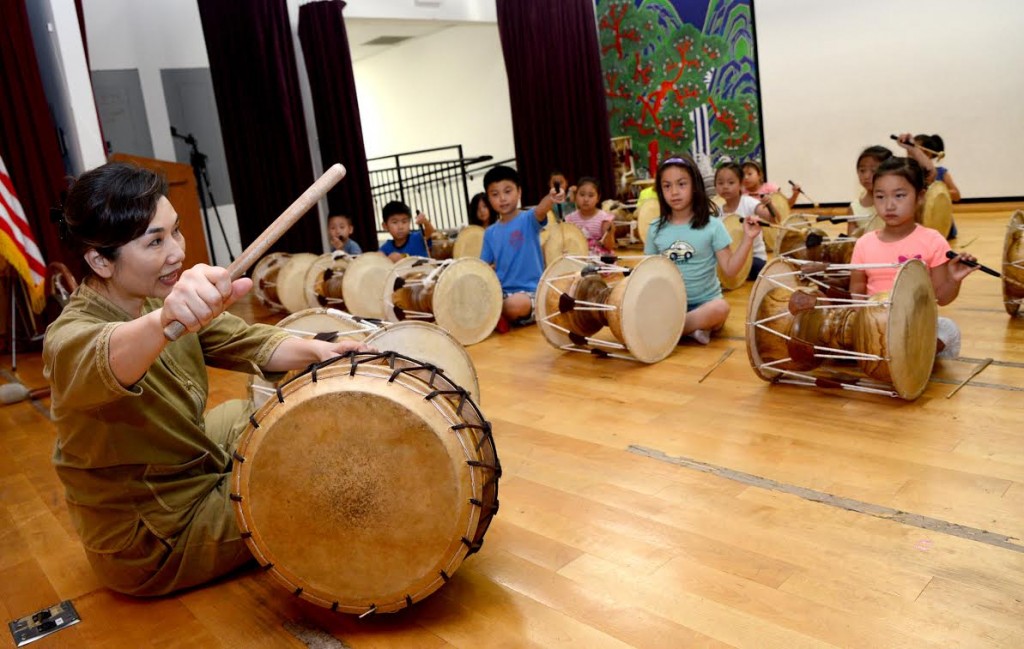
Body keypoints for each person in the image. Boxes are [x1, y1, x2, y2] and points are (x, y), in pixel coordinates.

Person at [42, 162, 367, 597]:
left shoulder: (152, 298)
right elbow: (107, 353)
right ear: (100, 260)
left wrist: (321, 350)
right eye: (155, 241)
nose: (177, 250)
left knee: (243, 413)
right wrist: (166, 319)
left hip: (184, 466)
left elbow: (247, 339)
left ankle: (235, 483)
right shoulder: (70, 338)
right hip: (151, 536)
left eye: (174, 231)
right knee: (312, 485)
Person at [849, 155, 976, 359]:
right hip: (876, 326)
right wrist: (863, 322)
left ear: (920, 196)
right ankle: (904, 357)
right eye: (880, 196)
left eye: (899, 196)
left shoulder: (933, 241)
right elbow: (856, 290)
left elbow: (941, 298)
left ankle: (906, 357)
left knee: (948, 329)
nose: (889, 205)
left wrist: (953, 280)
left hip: (917, 325)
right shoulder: (864, 243)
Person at [644, 156, 760, 344]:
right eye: (667, 186)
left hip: (706, 305)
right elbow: (648, 272)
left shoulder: (712, 226)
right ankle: (689, 329)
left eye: (681, 184)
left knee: (721, 308)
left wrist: (748, 238)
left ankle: (671, 329)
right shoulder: (655, 228)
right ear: (660, 190)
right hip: (671, 303)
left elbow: (730, 270)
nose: (674, 192)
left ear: (695, 186)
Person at [480, 165, 565, 330]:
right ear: (489, 199)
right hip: (501, 293)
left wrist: (551, 197)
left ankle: (498, 315)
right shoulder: (490, 232)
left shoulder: (528, 219)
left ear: (519, 192)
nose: (502, 198)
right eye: (495, 194)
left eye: (507, 191)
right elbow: (482, 266)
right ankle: (498, 314)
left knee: (514, 305)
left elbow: (541, 209)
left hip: (530, 294)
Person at [714, 162, 770, 280]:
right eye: (720, 183)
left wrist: (769, 206)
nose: (725, 186)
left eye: (731, 182)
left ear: (740, 185)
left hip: (755, 258)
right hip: (731, 260)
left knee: (756, 268)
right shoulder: (717, 212)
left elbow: (773, 218)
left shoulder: (748, 202)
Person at [914, 133, 960, 239]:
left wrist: (936, 193)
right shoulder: (910, 173)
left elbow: (957, 195)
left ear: (928, 154)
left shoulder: (941, 173)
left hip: (939, 223)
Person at [846, 145, 894, 234]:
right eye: (862, 170)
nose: (866, 176)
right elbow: (851, 243)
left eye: (873, 170)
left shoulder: (896, 204)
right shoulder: (855, 208)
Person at [565, 176, 615, 256]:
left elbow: (610, 247)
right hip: (579, 258)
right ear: (575, 196)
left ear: (598, 198)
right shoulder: (570, 219)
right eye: (582, 195)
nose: (586, 199)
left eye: (591, 196)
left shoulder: (604, 218)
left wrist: (609, 233)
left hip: (600, 260)